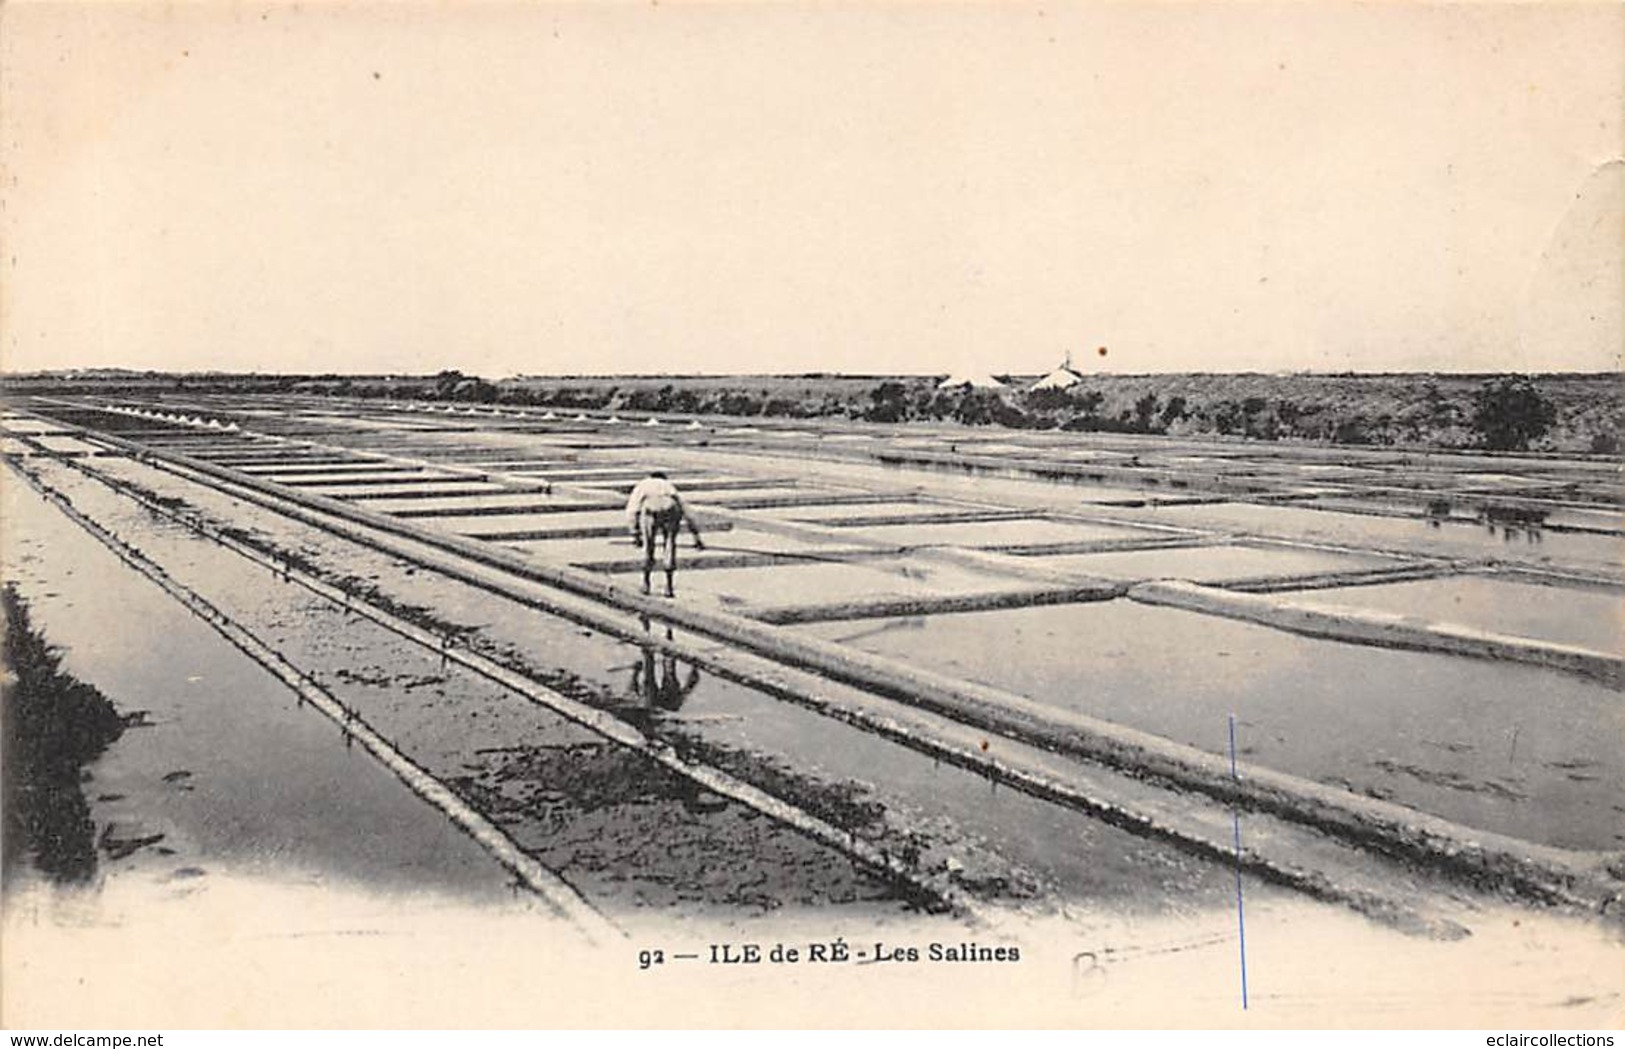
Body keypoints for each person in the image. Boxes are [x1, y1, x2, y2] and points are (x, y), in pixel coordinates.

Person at [625, 471, 704, 596]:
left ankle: (646, 583)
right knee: (670, 545)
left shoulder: (643, 484)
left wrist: (635, 533)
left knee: (649, 546)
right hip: (670, 506)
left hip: (651, 506)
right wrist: (696, 537)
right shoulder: (668, 485)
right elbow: (686, 510)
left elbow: (632, 509)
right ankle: (669, 586)